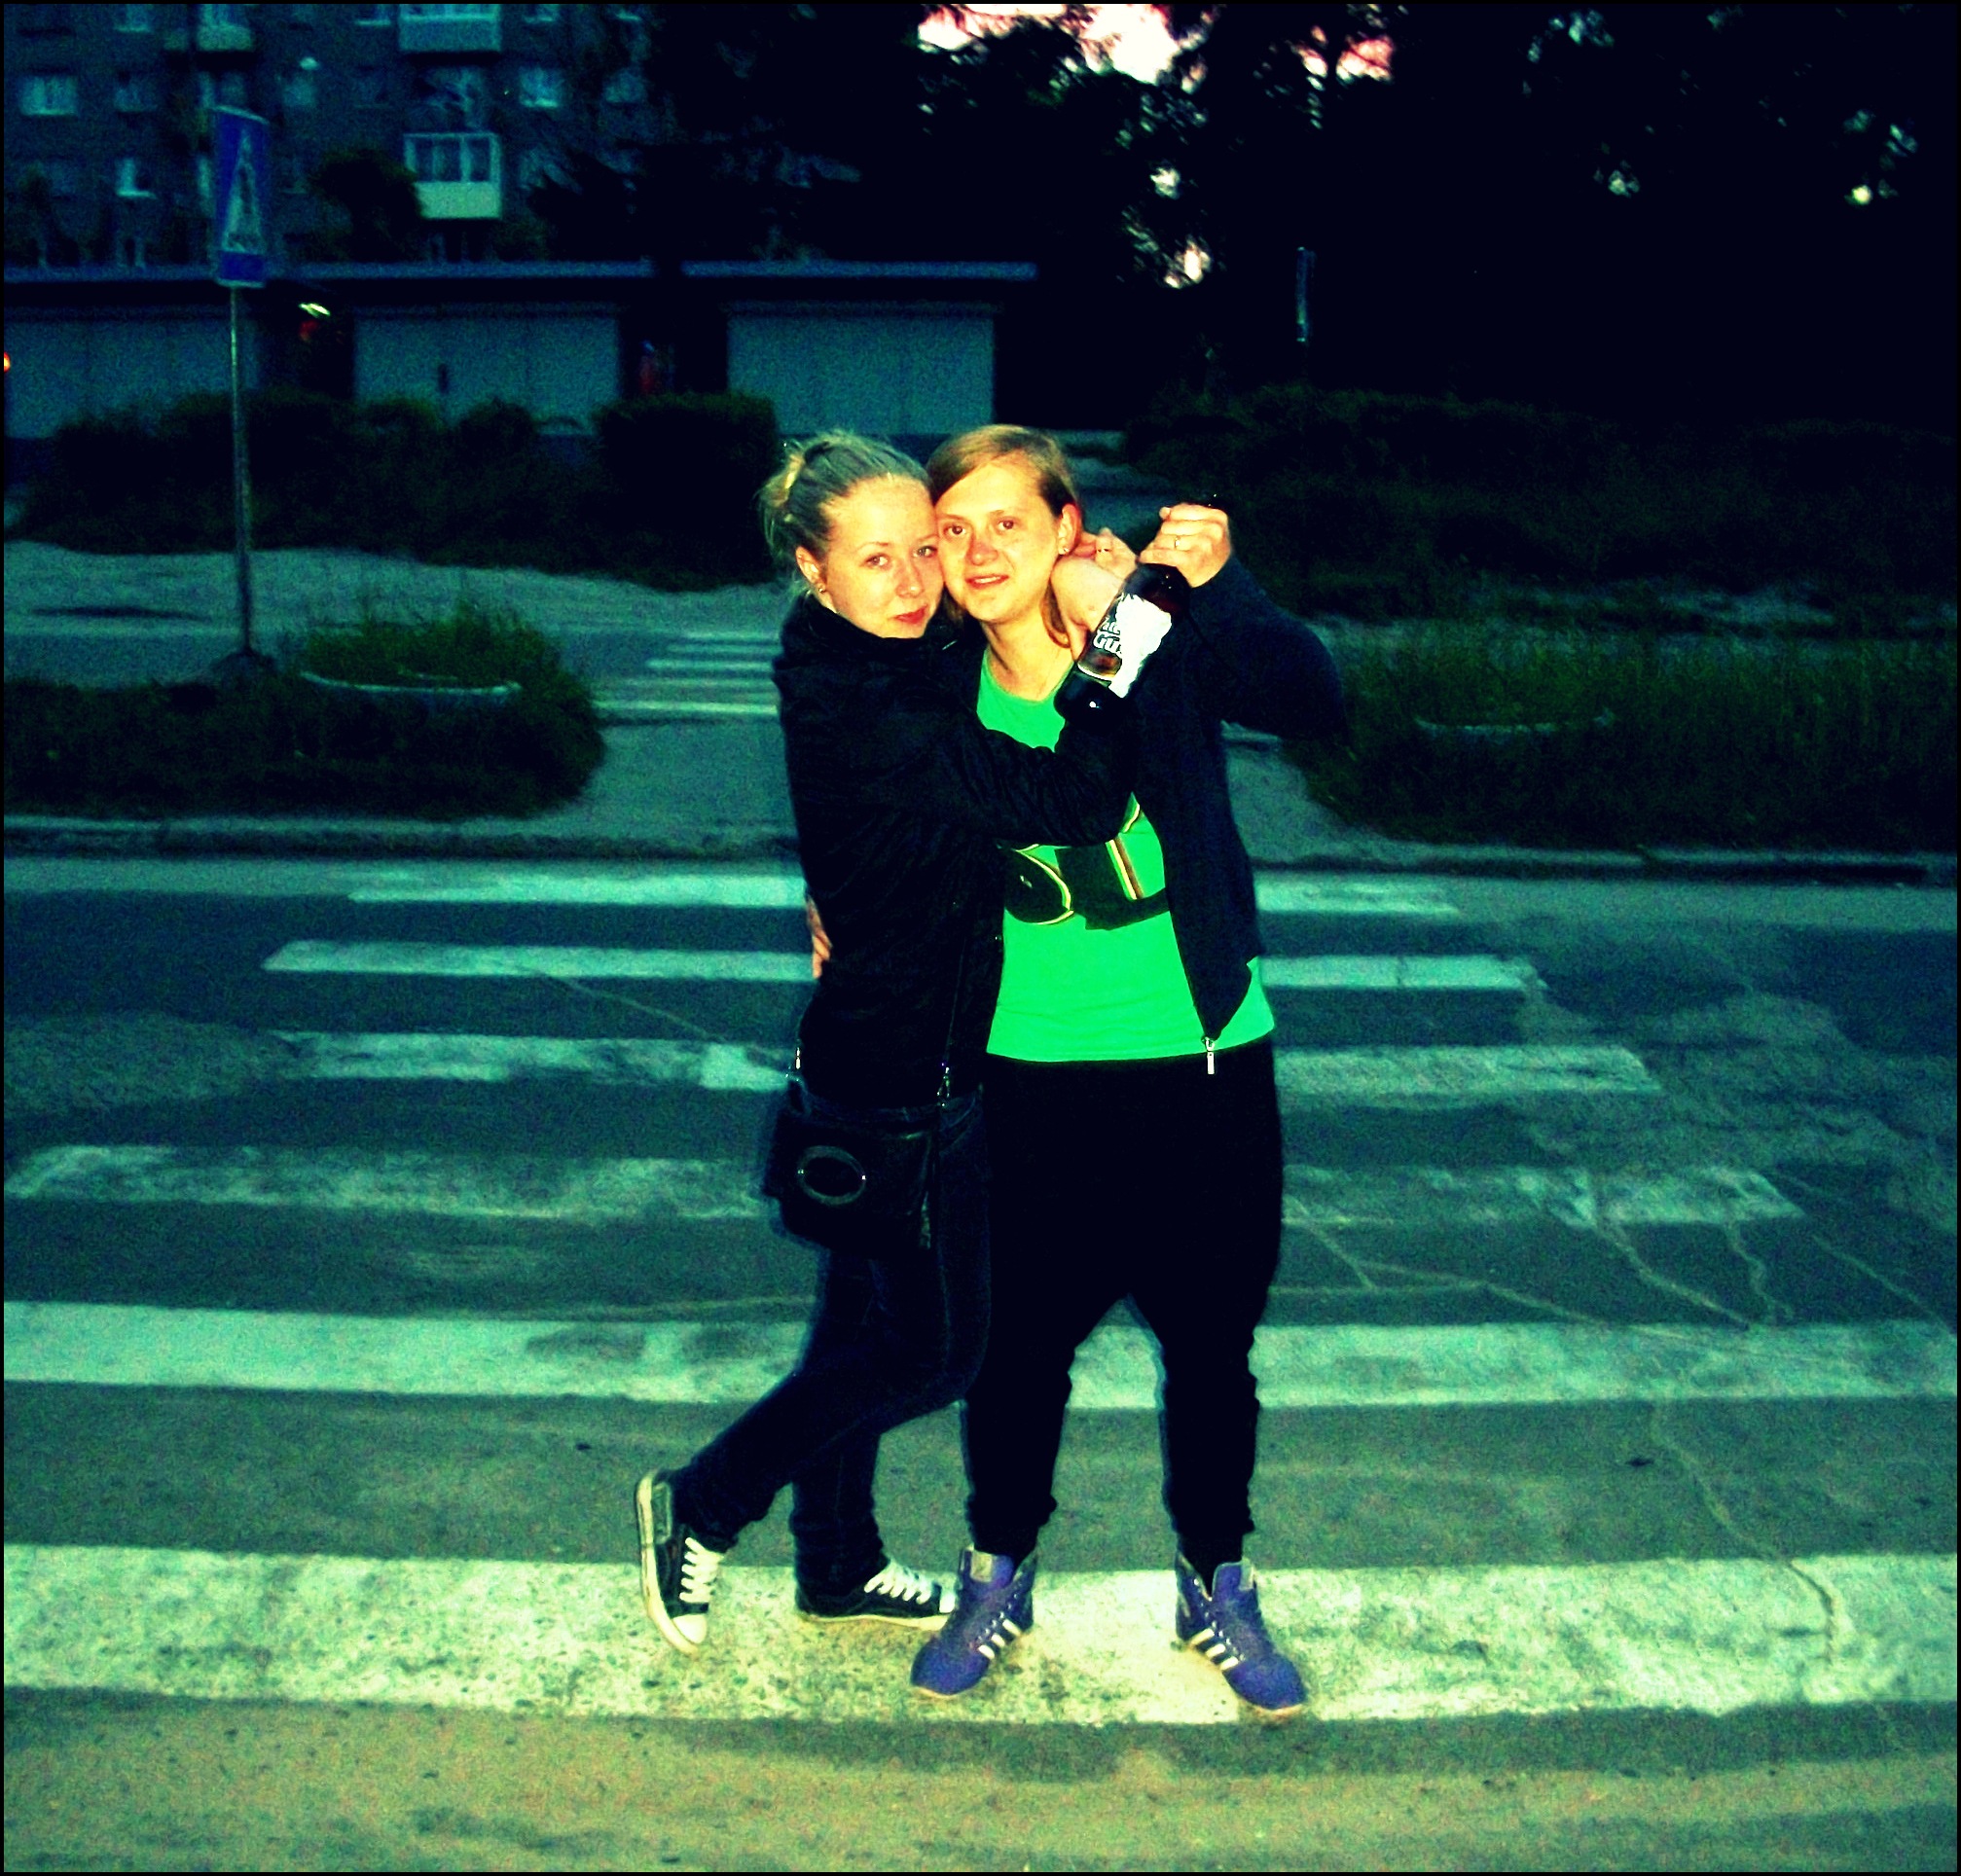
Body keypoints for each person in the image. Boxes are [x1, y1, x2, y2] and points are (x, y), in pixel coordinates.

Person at [636, 433, 1144, 1656]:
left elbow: (976, 626)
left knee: (852, 1331)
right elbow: (1071, 800)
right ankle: (701, 1500)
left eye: (926, 547)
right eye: (878, 559)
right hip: (896, 1078)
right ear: (813, 569)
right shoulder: (868, 700)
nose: (918, 581)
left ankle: (835, 1561)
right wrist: (1130, 626)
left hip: (902, 1050)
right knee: (932, 1352)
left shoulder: (880, 649)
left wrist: (1067, 559)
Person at [906, 426, 1346, 1716]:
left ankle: (1216, 1581)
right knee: (1014, 1351)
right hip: (1026, 1073)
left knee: (1211, 1349)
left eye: (1005, 521)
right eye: (952, 529)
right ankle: (997, 1571)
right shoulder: (936, 685)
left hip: (1200, 1062)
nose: (976, 551)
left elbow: (1311, 698)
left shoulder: (1147, 639)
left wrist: (1215, 586)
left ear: (1066, 528)